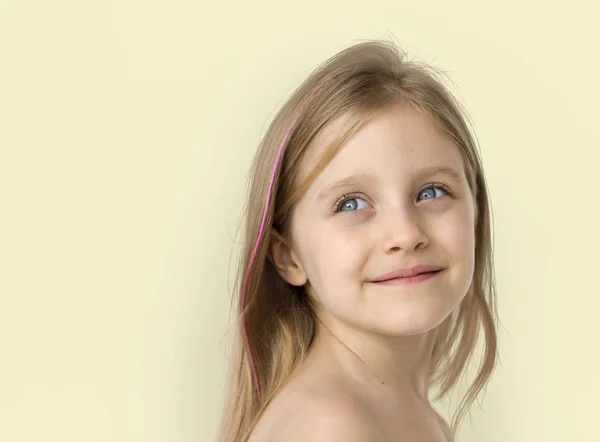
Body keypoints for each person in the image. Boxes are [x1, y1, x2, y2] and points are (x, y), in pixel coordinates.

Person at [217, 38, 499, 442]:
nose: (405, 235)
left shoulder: (407, 416)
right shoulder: (332, 428)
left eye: (431, 192)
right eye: (351, 204)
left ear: (476, 214)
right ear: (288, 256)